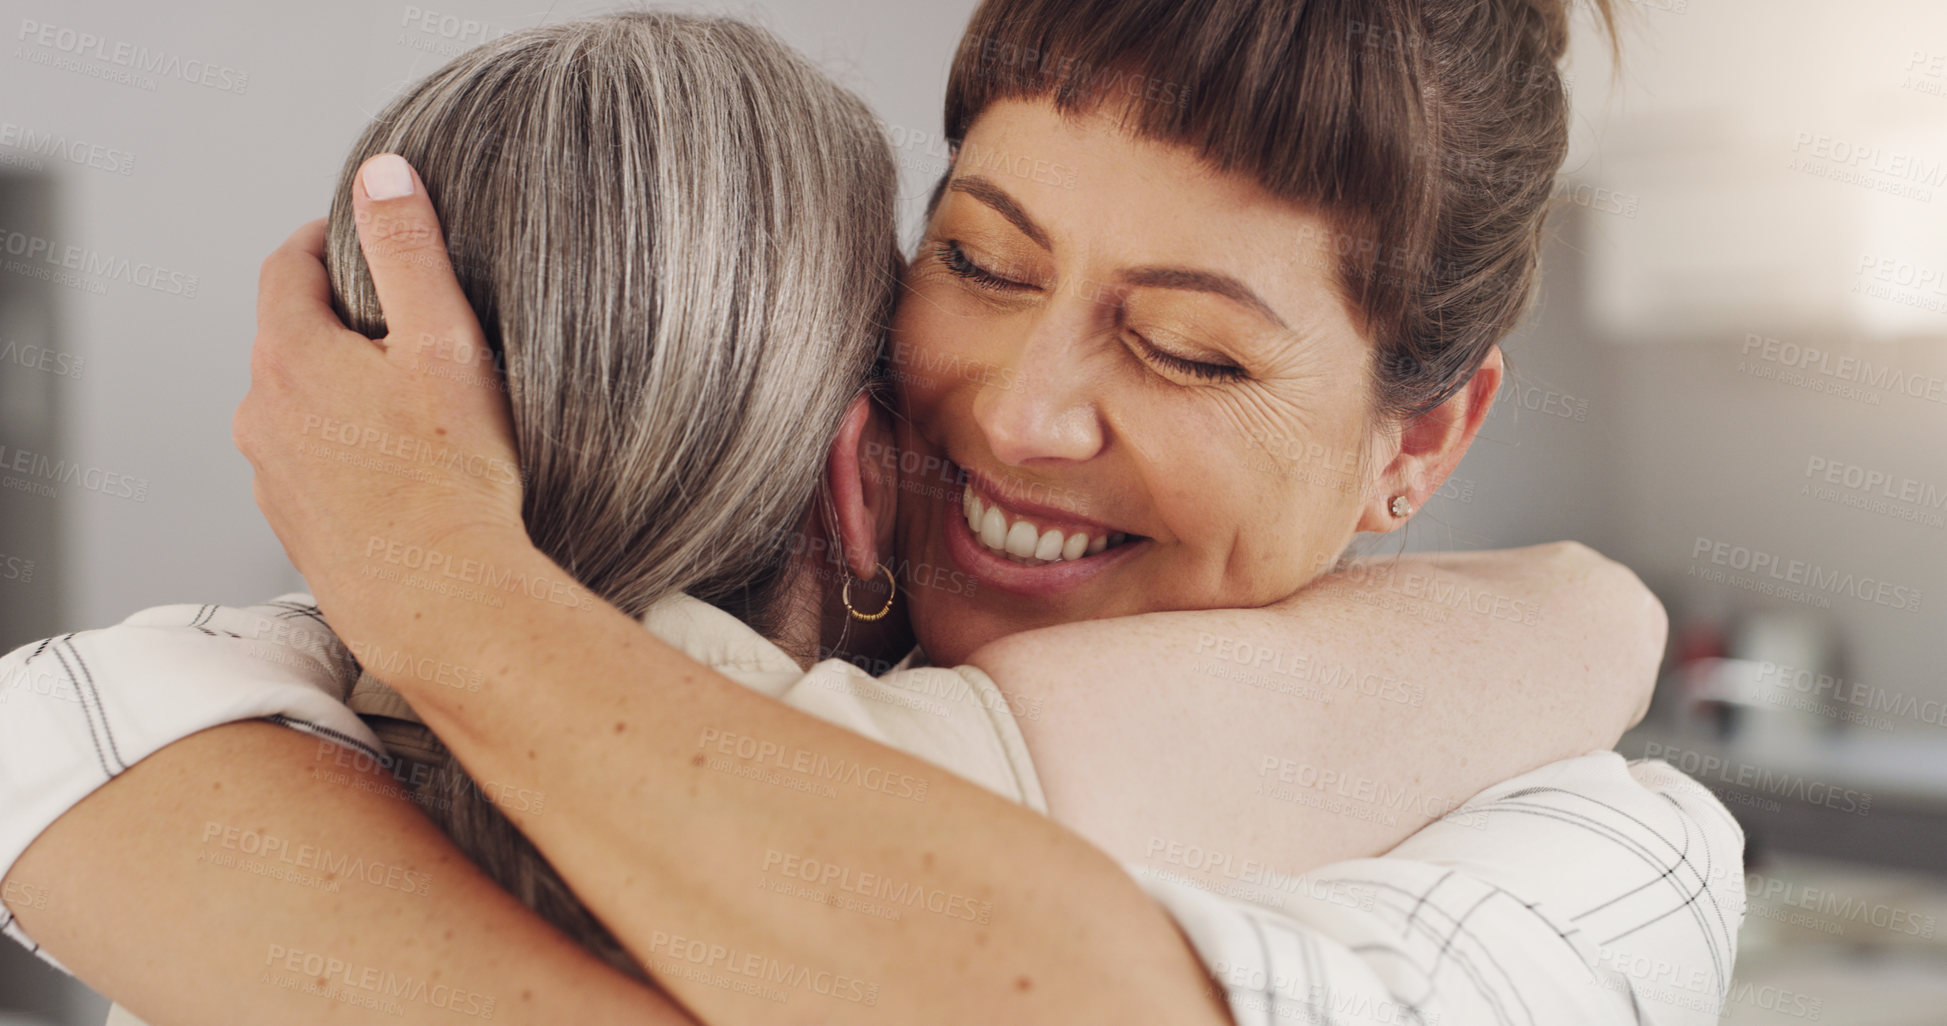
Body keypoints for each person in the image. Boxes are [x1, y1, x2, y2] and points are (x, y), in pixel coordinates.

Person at [0, 4, 1743, 1025]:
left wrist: (445, 583)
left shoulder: (1598, 871)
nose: (1021, 411)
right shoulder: (224, 716)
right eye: (979, 261)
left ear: (1420, 435)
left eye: (1194, 352)